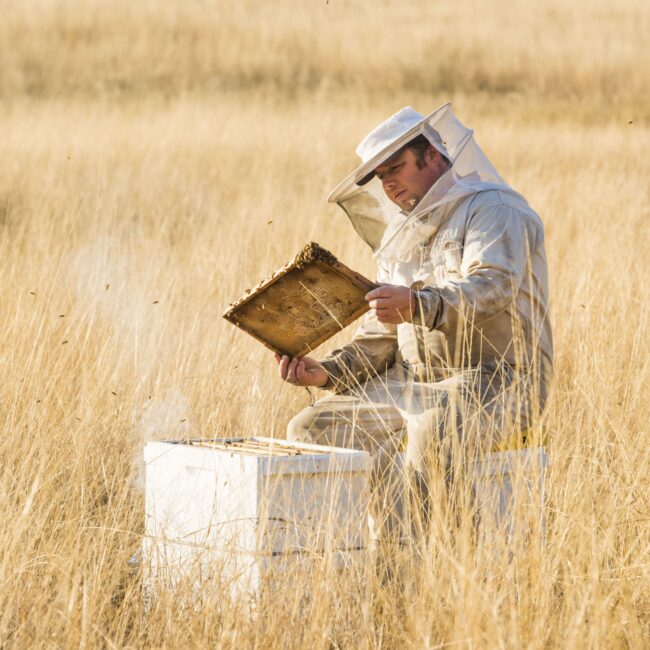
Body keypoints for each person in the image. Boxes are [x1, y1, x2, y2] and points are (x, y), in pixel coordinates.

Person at [275, 103, 553, 542]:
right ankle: (380, 553)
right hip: (413, 381)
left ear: (435, 155)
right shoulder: (400, 236)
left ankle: (444, 564)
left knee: (434, 426)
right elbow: (382, 332)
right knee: (311, 427)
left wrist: (420, 305)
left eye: (396, 168)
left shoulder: (495, 210)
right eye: (380, 177)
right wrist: (328, 371)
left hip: (498, 379)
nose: (388, 184)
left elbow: (493, 288)